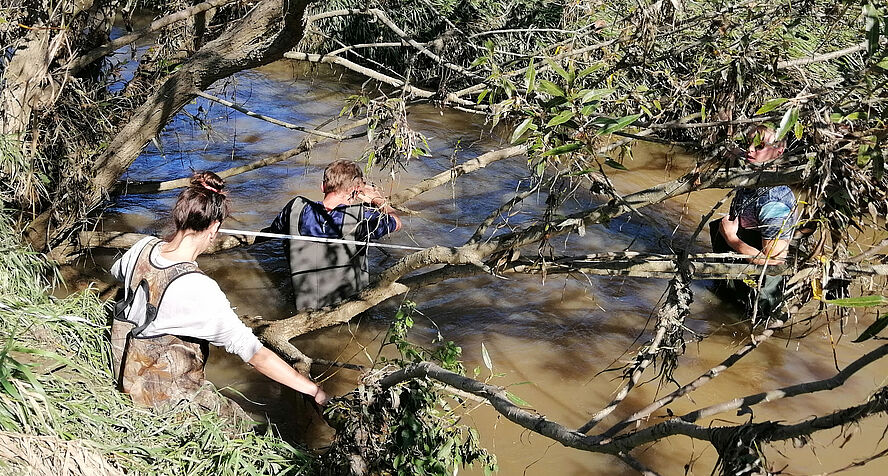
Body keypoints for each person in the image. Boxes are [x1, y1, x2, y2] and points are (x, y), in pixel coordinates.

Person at [110, 171, 328, 409]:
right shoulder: (198, 287)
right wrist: (313, 389)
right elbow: (254, 353)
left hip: (127, 372)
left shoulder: (143, 247)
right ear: (213, 228)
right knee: (243, 430)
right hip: (160, 398)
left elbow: (120, 273)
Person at [261, 159, 402, 310]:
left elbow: (272, 232)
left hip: (303, 305)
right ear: (355, 191)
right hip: (349, 309)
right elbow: (396, 222)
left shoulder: (296, 207)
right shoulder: (360, 217)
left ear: (322, 186)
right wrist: (376, 198)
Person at [709, 126, 798, 319]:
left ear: (779, 151)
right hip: (737, 283)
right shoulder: (756, 175)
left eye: (759, 146)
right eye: (748, 143)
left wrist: (732, 239)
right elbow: (733, 150)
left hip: (757, 301)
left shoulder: (774, 202)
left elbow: (773, 263)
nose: (749, 149)